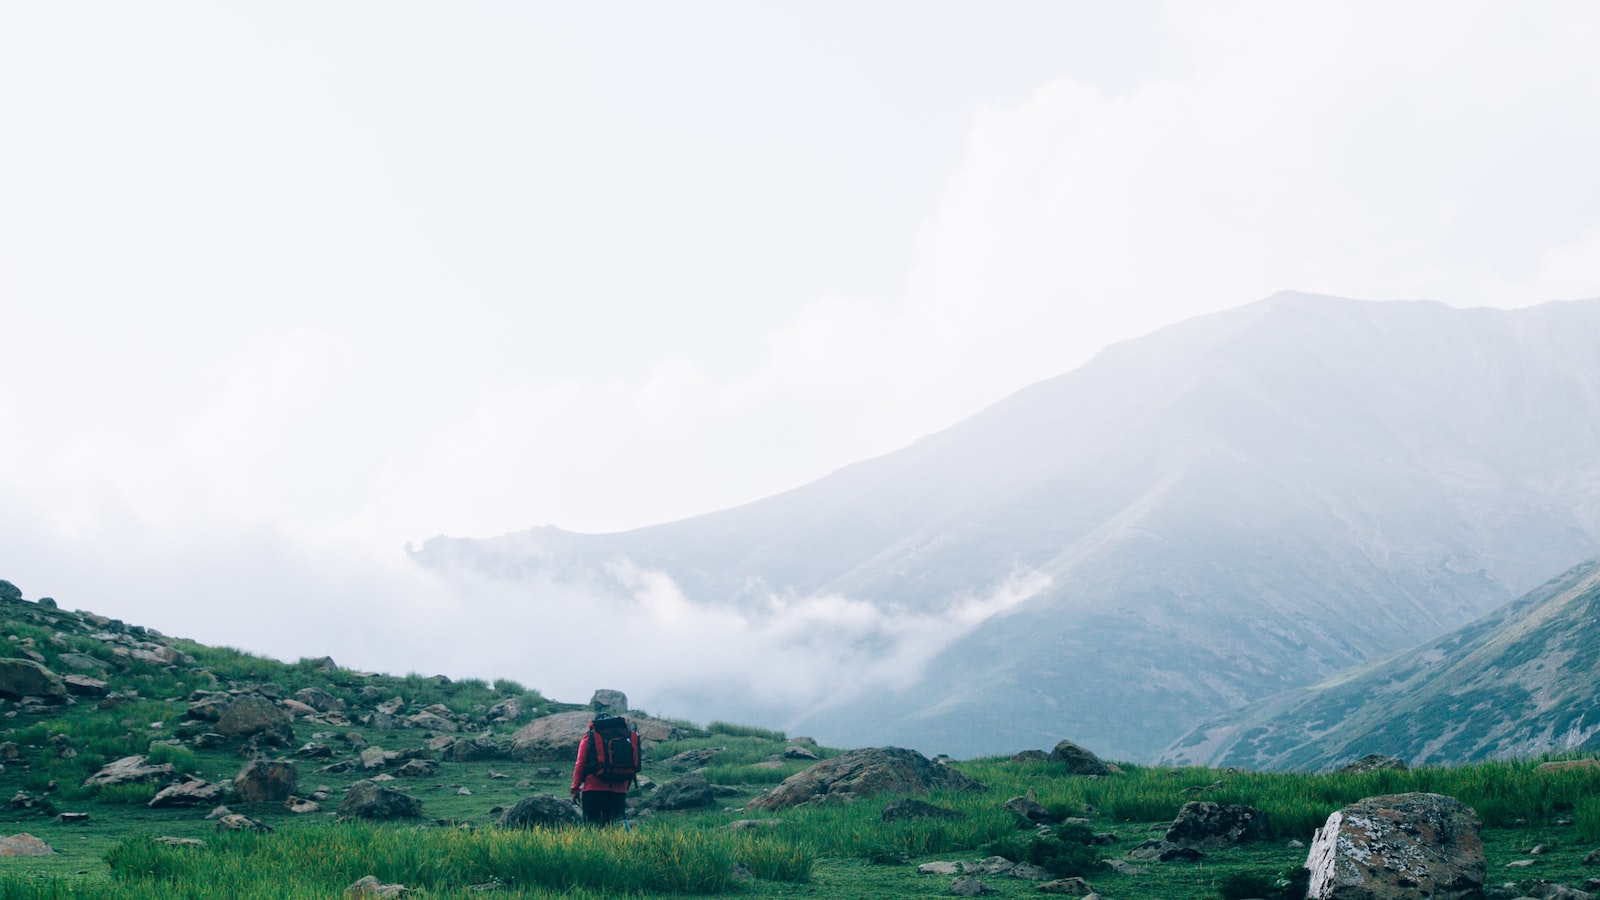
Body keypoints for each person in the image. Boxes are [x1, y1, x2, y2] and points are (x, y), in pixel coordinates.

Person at [570, 713, 636, 826]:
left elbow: (580, 764)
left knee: (591, 827)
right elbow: (632, 765)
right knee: (609, 827)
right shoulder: (625, 738)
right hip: (619, 791)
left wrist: (575, 789)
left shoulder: (589, 738)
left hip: (593, 789)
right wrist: (625, 788)